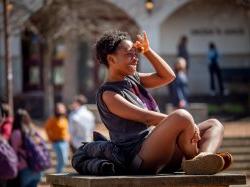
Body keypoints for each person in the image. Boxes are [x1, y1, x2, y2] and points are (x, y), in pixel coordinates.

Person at [95, 30, 232, 175]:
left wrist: (147, 51)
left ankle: (203, 159)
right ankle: (195, 159)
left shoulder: (132, 79)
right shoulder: (108, 94)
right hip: (139, 158)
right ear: (111, 59)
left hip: (163, 150)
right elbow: (147, 118)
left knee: (214, 124)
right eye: (129, 54)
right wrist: (188, 124)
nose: (135, 58)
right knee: (182, 116)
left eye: (136, 53)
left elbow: (168, 76)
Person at [10, 109, 42, 187]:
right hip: (37, 166)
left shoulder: (16, 133)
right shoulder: (33, 131)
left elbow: (14, 152)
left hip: (24, 167)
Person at [45, 102, 70, 173]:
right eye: (59, 109)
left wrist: (68, 138)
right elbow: (47, 129)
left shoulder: (64, 119)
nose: (61, 110)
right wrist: (51, 138)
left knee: (64, 161)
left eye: (62, 109)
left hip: (65, 142)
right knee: (61, 160)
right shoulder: (52, 120)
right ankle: (58, 175)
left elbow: (67, 130)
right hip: (57, 142)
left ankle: (59, 173)